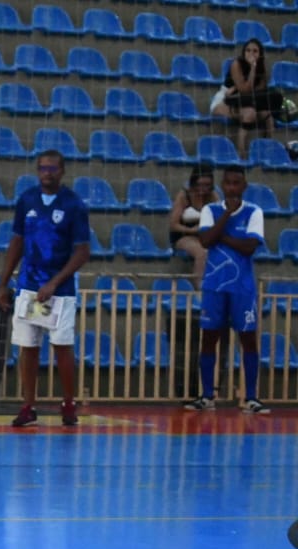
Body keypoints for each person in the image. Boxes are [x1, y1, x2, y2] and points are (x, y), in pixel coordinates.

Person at [0, 150, 90, 428]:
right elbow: (17, 241)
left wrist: (55, 282)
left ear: (62, 171)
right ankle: (28, 405)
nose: (46, 172)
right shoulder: (27, 200)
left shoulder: (74, 205)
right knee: (28, 345)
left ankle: (68, 403)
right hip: (29, 287)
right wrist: (4, 282)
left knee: (62, 345)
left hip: (59, 290)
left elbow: (83, 251)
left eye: (52, 168)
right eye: (42, 168)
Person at [184, 166, 268, 414]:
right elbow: (206, 241)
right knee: (209, 338)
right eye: (228, 183)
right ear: (222, 185)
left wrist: (222, 236)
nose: (231, 188)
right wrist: (226, 217)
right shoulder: (211, 210)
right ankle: (207, 396)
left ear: (244, 186)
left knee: (248, 339)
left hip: (242, 287)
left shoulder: (255, 212)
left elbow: (249, 247)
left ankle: (251, 397)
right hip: (214, 284)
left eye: (236, 183)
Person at [211, 39, 278, 157]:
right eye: (248, 50)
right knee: (249, 113)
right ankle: (241, 153)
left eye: (255, 51)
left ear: (260, 54)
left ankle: (269, 149)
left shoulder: (262, 69)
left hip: (248, 100)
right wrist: (253, 68)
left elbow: (259, 91)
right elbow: (245, 90)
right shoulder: (236, 64)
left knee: (268, 115)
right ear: (243, 52)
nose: (251, 54)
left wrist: (237, 88)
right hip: (226, 100)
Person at [169, 165, 220, 288]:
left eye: (207, 185)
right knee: (201, 252)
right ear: (194, 182)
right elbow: (173, 225)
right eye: (200, 184)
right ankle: (199, 287)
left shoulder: (213, 197)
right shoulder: (184, 196)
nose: (203, 189)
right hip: (183, 234)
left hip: (204, 235)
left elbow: (220, 218)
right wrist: (191, 230)